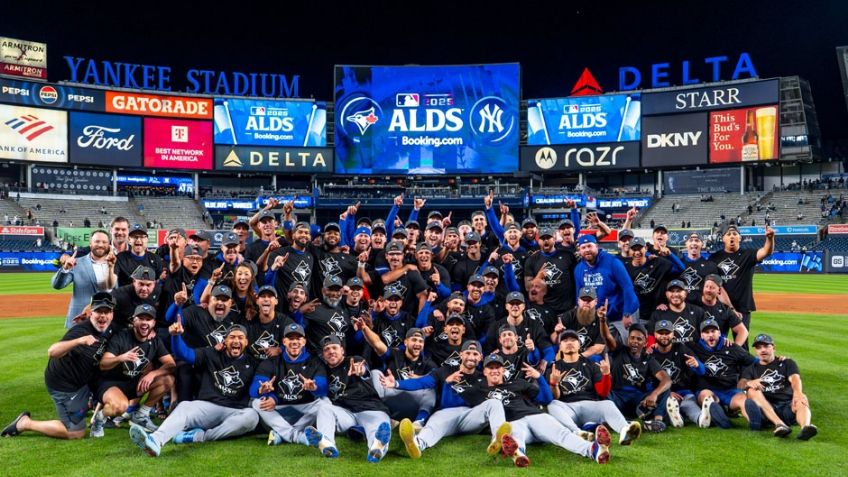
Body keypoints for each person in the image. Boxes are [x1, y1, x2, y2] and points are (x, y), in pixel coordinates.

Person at [129, 323, 261, 457]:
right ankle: (155, 440)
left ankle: (200, 436)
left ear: (246, 342)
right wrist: (176, 336)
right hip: (207, 407)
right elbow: (184, 354)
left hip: (235, 411)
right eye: (232, 337)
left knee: (252, 417)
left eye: (240, 338)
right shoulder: (211, 353)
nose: (236, 341)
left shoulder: (253, 362)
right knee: (185, 406)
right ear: (225, 341)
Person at [2, 293, 116, 439]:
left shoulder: (110, 327)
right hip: (64, 386)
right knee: (76, 432)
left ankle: (86, 404)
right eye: (99, 311)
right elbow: (52, 351)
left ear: (112, 314)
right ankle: (25, 423)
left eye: (107, 312)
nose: (103, 316)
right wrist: (79, 341)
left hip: (83, 380)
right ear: (91, 312)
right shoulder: (80, 331)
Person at [467, 354, 610, 467]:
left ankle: (593, 450)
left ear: (503, 370)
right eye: (490, 368)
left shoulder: (517, 383)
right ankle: (518, 454)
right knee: (515, 435)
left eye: (497, 367)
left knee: (562, 434)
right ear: (484, 371)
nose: (494, 371)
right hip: (513, 422)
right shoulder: (479, 390)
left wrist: (539, 377)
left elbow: (546, 399)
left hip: (535, 416)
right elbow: (458, 405)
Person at [379, 340, 510, 460]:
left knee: (494, 403)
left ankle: (498, 441)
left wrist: (448, 384)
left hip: (470, 416)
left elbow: (480, 398)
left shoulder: (483, 377)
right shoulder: (445, 370)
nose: (471, 357)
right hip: (445, 413)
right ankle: (417, 444)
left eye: (475, 354)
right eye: (468, 353)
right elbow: (422, 382)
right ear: (461, 354)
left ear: (480, 357)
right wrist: (396, 384)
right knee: (434, 426)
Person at [251, 323, 337, 455]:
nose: (294, 342)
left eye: (298, 338)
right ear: (284, 341)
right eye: (291, 338)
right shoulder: (272, 362)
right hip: (280, 409)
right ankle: (297, 436)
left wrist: (314, 387)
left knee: (325, 402)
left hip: (304, 409)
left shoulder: (315, 362)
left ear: (304, 342)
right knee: (256, 402)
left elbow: (323, 388)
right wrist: (262, 390)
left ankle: (326, 443)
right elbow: (253, 389)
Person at [91, 304, 176, 437]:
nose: (144, 323)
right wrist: (121, 358)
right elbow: (103, 364)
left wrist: (154, 373)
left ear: (153, 323)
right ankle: (98, 419)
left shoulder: (155, 341)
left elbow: (171, 364)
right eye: (141, 318)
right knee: (120, 407)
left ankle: (141, 416)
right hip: (112, 383)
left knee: (167, 379)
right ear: (133, 320)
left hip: (134, 383)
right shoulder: (121, 337)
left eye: (148, 319)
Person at [547, 329, 643, 446]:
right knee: (553, 405)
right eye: (565, 340)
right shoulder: (554, 368)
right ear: (560, 346)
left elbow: (602, 393)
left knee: (608, 404)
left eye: (573, 340)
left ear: (579, 345)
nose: (569, 343)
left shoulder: (590, 365)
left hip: (589, 405)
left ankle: (625, 431)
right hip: (567, 408)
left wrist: (606, 375)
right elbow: (555, 397)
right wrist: (554, 384)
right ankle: (577, 432)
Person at [319, 335, 393, 463]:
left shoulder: (354, 360)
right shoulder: (323, 371)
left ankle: (376, 449)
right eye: (327, 349)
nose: (331, 351)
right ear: (323, 354)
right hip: (346, 414)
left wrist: (361, 371)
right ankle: (327, 444)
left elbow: (363, 369)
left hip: (370, 409)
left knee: (378, 427)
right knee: (324, 408)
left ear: (342, 350)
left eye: (334, 348)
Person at [708, 224, 775, 347]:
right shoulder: (714, 258)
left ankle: (742, 366)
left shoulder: (748, 254)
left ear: (740, 237)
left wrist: (770, 238)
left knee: (742, 346)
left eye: (735, 234)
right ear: (723, 238)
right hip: (720, 308)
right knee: (717, 342)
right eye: (728, 234)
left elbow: (766, 251)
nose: (732, 236)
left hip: (743, 308)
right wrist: (730, 308)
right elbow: (716, 286)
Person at [740, 334, 817, 440]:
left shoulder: (786, 362)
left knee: (801, 397)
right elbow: (740, 384)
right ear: (755, 351)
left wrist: (798, 392)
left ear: (774, 347)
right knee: (752, 391)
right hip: (768, 408)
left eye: (766, 346)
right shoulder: (751, 369)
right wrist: (748, 383)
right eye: (759, 347)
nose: (762, 350)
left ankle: (805, 428)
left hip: (788, 406)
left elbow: (794, 378)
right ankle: (779, 424)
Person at [600, 321, 671, 432]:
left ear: (645, 342)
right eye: (632, 338)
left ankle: (657, 421)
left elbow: (666, 379)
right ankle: (617, 420)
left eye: (639, 339)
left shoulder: (648, 359)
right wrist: (602, 319)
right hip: (617, 396)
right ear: (628, 340)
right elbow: (607, 336)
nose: (635, 341)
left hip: (637, 399)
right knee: (604, 392)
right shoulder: (619, 350)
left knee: (665, 390)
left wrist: (654, 394)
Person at [689, 319, 760, 431]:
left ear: (719, 332)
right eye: (706, 333)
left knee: (743, 400)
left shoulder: (732, 347)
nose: (710, 335)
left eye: (713, 331)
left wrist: (745, 377)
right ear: (701, 335)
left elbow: (754, 362)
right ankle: (720, 415)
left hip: (729, 390)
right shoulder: (695, 348)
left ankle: (754, 422)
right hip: (707, 388)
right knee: (706, 397)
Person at [574, 235, 639, 344]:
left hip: (621, 312)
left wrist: (627, 313)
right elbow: (579, 295)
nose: (587, 250)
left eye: (589, 246)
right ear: (579, 251)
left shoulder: (613, 262)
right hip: (600, 316)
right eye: (583, 247)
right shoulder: (579, 269)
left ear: (597, 246)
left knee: (629, 345)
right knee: (606, 347)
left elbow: (627, 288)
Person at [52, 230, 117, 328]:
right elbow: (57, 285)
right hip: (80, 321)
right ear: (90, 244)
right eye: (97, 241)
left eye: (104, 242)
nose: (100, 244)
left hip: (109, 322)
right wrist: (65, 269)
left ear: (109, 245)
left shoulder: (117, 265)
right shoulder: (76, 263)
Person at [651, 320, 706, 427]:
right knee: (667, 403)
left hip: (684, 392)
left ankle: (701, 419)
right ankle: (677, 417)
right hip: (663, 394)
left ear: (673, 334)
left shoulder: (681, 348)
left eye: (667, 333)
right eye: (660, 333)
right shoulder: (650, 354)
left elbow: (702, 371)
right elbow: (648, 382)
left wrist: (697, 365)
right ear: (654, 334)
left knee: (689, 404)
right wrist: (667, 392)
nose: (664, 336)